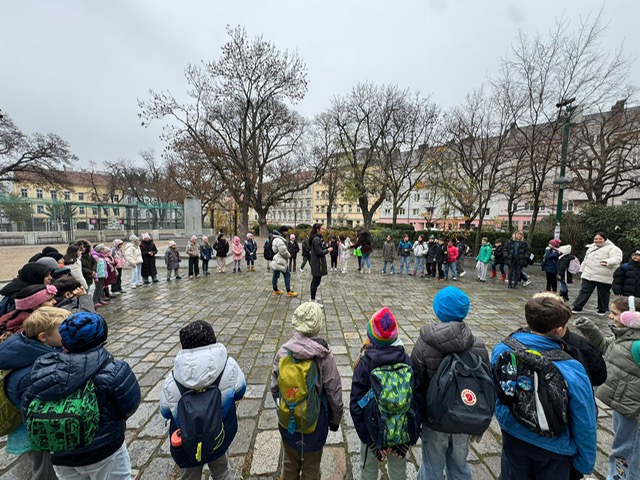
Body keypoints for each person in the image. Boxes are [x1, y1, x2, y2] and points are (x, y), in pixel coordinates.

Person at [24, 311, 141, 479]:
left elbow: (27, 406)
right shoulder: (114, 369)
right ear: (102, 338)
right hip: (103, 449)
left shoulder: (44, 368)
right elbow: (129, 405)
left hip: (61, 452)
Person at [491, 296, 597, 480]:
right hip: (554, 446)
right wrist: (585, 462)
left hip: (513, 430)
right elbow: (584, 418)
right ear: (559, 329)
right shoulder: (572, 368)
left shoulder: (503, 349)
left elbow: (497, 387)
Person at [411, 286, 489, 480]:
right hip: (465, 417)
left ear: (438, 310)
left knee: (432, 467)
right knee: (459, 465)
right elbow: (485, 386)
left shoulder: (424, 344)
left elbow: (416, 385)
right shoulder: (478, 345)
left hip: (435, 420)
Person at [160, 320, 246, 480]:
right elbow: (240, 391)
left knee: (190, 476)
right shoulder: (229, 366)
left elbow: (165, 411)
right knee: (222, 472)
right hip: (218, 434)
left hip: (187, 442)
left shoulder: (172, 380)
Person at [271, 302, 343, 480]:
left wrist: (288, 406)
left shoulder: (284, 351)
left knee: (289, 463)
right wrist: (335, 420)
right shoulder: (323, 355)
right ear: (318, 324)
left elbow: (275, 388)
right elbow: (334, 392)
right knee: (311, 467)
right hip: (314, 423)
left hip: (288, 420)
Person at [350, 307, 421, 480]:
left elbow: (356, 405)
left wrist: (368, 440)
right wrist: (409, 439)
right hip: (400, 432)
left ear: (371, 337)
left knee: (368, 471)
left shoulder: (365, 364)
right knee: (398, 473)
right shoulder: (408, 362)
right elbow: (417, 402)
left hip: (373, 430)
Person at [574, 296, 640, 480]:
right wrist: (589, 328)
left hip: (634, 410)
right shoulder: (625, 335)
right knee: (624, 445)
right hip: (623, 405)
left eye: (615, 313)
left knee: (626, 449)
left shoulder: (637, 344)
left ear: (632, 317)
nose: (610, 316)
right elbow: (605, 346)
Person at [0, 306, 69, 480]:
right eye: (63, 330)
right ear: (43, 337)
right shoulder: (32, 372)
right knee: (46, 469)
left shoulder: (29, 350)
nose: (69, 332)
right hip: (38, 433)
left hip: (36, 427)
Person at [572, 232, 623, 315]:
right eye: (596, 239)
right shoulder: (591, 248)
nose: (598, 240)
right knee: (584, 291)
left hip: (604, 275)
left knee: (603, 293)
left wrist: (607, 262)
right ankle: (577, 307)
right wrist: (582, 270)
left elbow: (617, 258)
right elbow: (585, 260)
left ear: (605, 239)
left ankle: (602, 309)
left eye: (600, 239)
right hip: (588, 274)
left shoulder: (613, 248)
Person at [271, 225, 297, 297]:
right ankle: (288, 291)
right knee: (287, 275)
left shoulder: (276, 238)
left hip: (277, 259)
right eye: (286, 231)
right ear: (283, 232)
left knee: (275, 275)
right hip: (281, 260)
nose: (287, 233)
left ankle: (275, 290)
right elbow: (283, 251)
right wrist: (289, 256)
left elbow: (274, 250)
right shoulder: (280, 240)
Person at [309, 223, 332, 307]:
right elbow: (319, 252)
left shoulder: (319, 238)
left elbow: (320, 249)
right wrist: (328, 250)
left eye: (324, 229)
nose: (324, 230)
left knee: (317, 281)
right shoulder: (316, 239)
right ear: (318, 230)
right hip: (317, 263)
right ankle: (312, 300)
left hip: (318, 263)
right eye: (322, 229)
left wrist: (326, 247)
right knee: (315, 282)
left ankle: (313, 297)